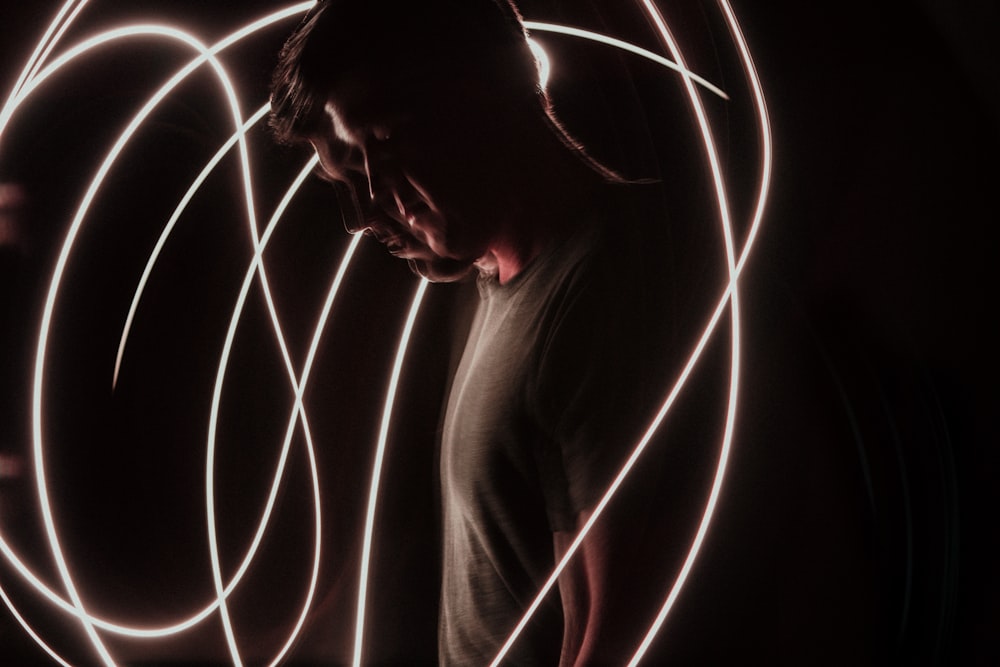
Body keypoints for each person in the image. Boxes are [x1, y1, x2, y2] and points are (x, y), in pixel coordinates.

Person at [270, 1, 688, 663]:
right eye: (343, 180)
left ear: (484, 90)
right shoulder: (484, 282)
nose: (361, 213)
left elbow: (623, 627)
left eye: (379, 146)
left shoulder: (607, 283)